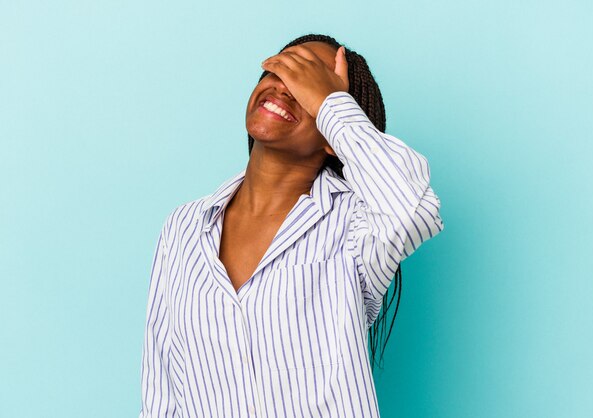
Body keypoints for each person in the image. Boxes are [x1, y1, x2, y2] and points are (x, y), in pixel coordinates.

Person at [139, 33, 444, 418]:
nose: (283, 89)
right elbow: (162, 395)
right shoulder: (183, 229)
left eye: (308, 84)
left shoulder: (355, 225)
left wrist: (332, 105)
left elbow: (414, 208)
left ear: (333, 133)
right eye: (281, 70)